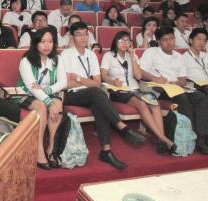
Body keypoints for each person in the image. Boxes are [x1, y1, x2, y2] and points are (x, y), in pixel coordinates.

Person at [60, 21, 145, 170]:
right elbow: (67, 83)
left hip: (91, 94)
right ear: (72, 37)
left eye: (85, 34)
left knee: (98, 101)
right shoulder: (65, 55)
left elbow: (98, 82)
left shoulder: (91, 55)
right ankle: (121, 126)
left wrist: (78, 78)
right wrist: (86, 82)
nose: (82, 37)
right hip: (71, 95)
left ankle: (106, 150)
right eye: (78, 34)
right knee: (96, 93)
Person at [139, 26, 208, 155]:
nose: (169, 42)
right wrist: (155, 78)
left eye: (171, 38)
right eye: (165, 40)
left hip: (177, 87)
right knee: (182, 98)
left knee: (201, 97)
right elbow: (141, 72)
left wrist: (175, 83)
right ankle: (190, 136)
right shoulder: (151, 52)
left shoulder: (179, 56)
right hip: (158, 89)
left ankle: (201, 139)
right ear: (159, 41)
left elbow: (183, 79)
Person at [101, 31, 176, 154]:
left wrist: (133, 58)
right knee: (141, 104)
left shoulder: (132, 56)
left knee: (154, 103)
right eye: (122, 40)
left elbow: (138, 75)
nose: (125, 43)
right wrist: (112, 81)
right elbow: (103, 75)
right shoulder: (108, 55)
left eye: (128, 41)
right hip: (119, 91)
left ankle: (161, 139)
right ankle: (163, 139)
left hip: (135, 89)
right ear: (115, 42)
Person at [17, 27, 66, 169]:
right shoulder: (26, 60)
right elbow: (32, 87)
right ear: (36, 43)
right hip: (26, 93)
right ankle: (39, 150)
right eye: (43, 41)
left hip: (48, 92)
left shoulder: (57, 58)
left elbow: (63, 82)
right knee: (42, 106)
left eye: (50, 41)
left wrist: (48, 91)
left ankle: (51, 148)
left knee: (57, 104)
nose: (47, 45)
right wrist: (48, 101)